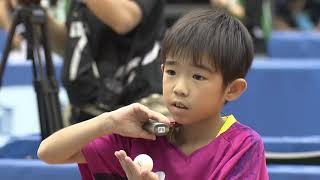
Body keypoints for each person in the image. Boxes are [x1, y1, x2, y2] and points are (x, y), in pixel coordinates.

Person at [38, 9, 269, 180]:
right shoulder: (140, 136)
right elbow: (48, 153)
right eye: (171, 71)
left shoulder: (243, 147)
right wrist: (109, 121)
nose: (179, 87)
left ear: (232, 89)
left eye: (198, 76)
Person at [45, 0, 166, 124]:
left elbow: (124, 20)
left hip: (141, 106)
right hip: (85, 108)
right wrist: (42, 16)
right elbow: (70, 45)